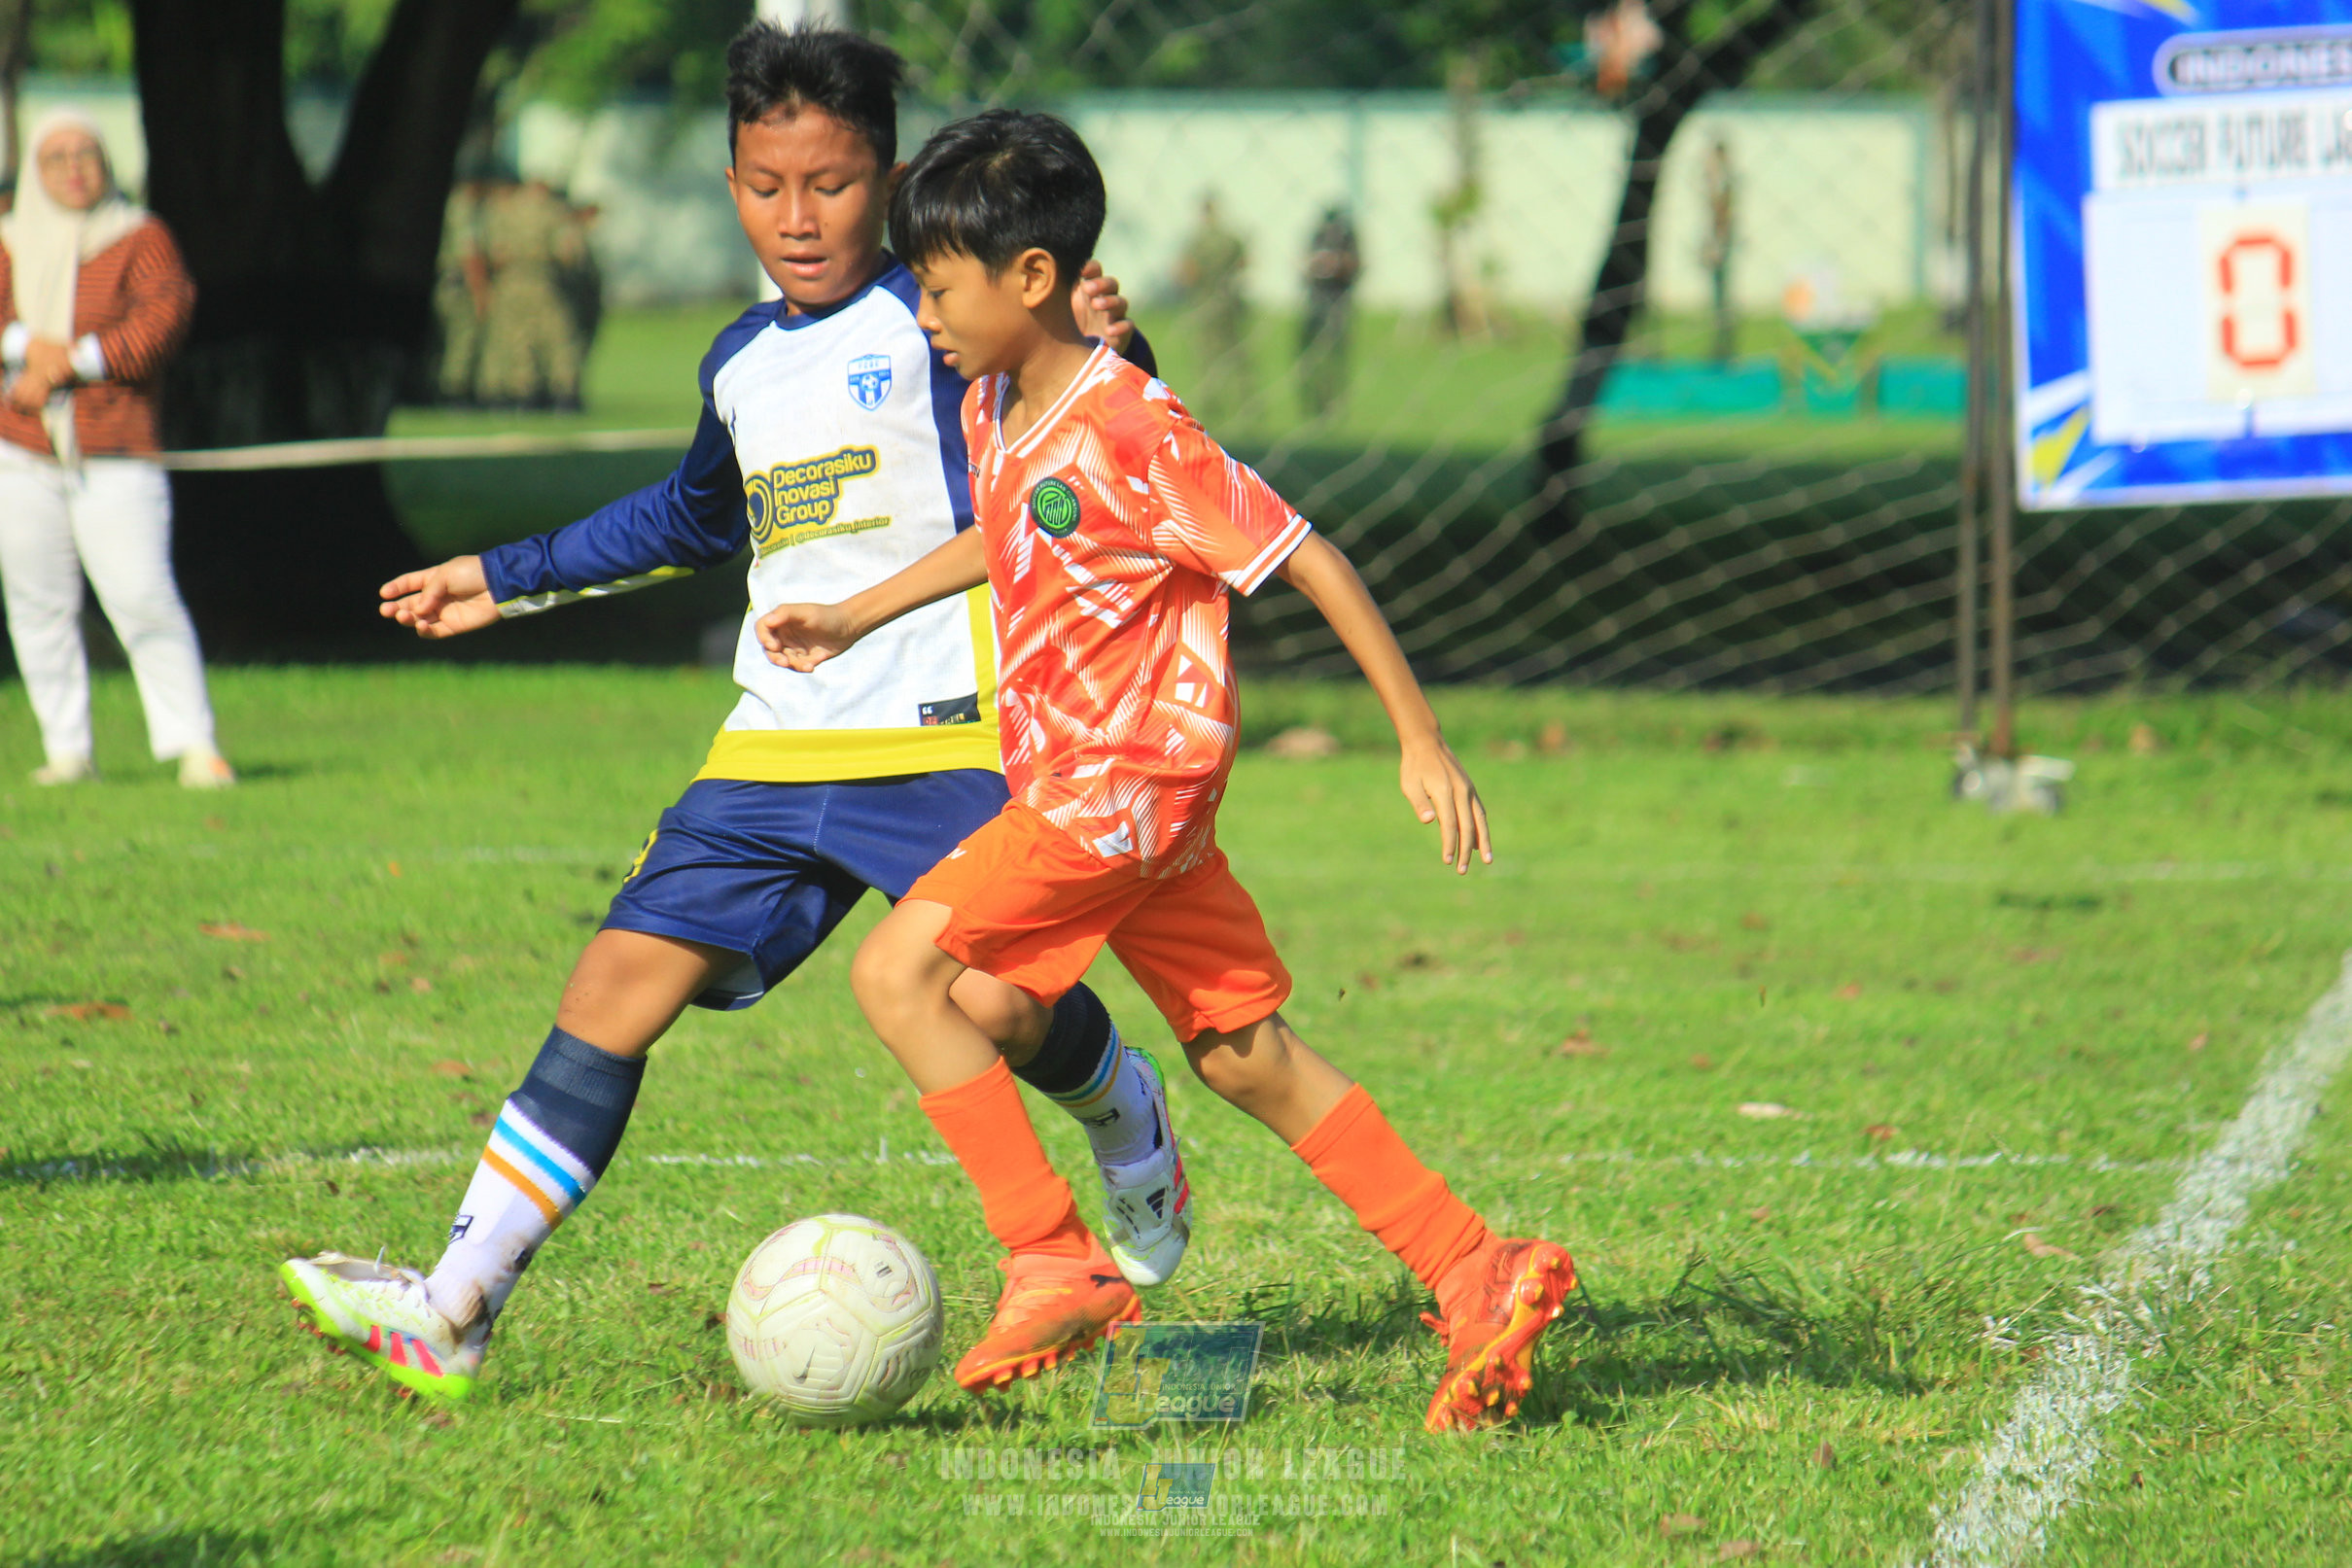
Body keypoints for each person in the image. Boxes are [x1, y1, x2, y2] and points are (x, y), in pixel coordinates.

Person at [276, 23, 1176, 1405]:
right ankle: (453, 1304)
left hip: (954, 733)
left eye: (827, 183)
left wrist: (1121, 340)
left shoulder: (948, 321)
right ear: (729, 178)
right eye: (764, 185)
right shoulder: (741, 359)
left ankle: (1119, 1104)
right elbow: (691, 517)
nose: (796, 217)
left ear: (882, 175)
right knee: (613, 988)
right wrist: (499, 577)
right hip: (772, 744)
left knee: (998, 1001)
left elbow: (1100, 427)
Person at [756, 110, 1575, 1431]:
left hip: (1116, 786)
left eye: (940, 285)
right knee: (1237, 1053)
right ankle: (1474, 1267)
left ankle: (1048, 1256)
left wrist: (1417, 736)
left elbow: (1305, 553)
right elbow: (1013, 542)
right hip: (1116, 798)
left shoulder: (1133, 425)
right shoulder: (992, 407)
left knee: (892, 972)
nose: (921, 310)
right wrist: (858, 614)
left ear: (1031, 280)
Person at [0, 109, 232, 789]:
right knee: (37, 599)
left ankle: (194, 743)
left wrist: (70, 363)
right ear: (36, 170)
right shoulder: (11, 236)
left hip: (116, 448)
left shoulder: (141, 237)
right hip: (20, 449)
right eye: (57, 157)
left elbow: (160, 321)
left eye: (86, 154)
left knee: (139, 593)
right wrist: (27, 351)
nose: (73, 169)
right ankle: (67, 749)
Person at [474, 179, 587, 410]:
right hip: (541, 280)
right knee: (558, 337)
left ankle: (520, 392)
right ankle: (564, 392)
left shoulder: (504, 210)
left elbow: (495, 254)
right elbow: (567, 253)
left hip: (510, 282)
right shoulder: (553, 212)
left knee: (517, 339)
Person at [1174, 192, 1247, 421]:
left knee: (1207, 355)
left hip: (1204, 303)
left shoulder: (1197, 241)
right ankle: (1243, 399)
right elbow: (1243, 263)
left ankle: (1212, 402)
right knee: (1236, 352)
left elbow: (1188, 273)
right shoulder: (1230, 238)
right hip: (1228, 301)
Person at [1298, 204, 1358, 418]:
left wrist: (1337, 265)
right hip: (1317, 297)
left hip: (1337, 297)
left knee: (1334, 355)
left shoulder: (1347, 238)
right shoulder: (1318, 236)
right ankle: (1313, 401)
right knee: (1311, 355)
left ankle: (1334, 402)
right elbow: (1306, 264)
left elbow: (1356, 266)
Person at [1702, 135, 1738, 364]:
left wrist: (1716, 245)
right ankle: (1722, 345)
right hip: (1719, 242)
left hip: (1721, 244)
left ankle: (1724, 348)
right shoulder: (1720, 179)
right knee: (1720, 298)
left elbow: (1721, 215)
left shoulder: (1723, 180)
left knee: (1722, 299)